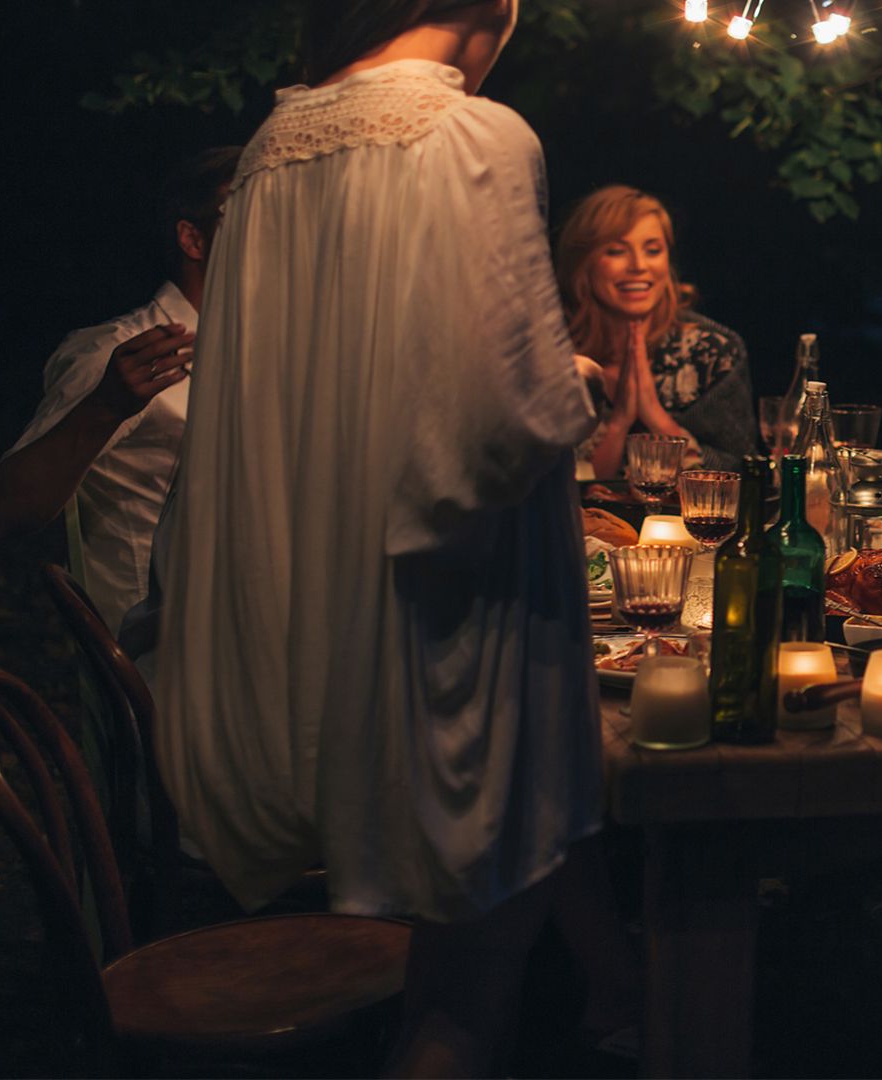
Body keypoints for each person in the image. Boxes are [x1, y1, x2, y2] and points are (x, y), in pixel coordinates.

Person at [149, 2, 630, 1073]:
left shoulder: (277, 147)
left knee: (439, 986)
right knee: (465, 999)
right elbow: (498, 421)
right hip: (448, 633)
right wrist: (581, 386)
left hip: (314, 616)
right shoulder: (473, 135)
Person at [0, 146, 241, 631]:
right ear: (192, 238)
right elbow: (6, 512)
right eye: (247, 207)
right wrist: (105, 406)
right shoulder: (117, 352)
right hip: (155, 671)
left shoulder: (267, 355)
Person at [555, 184, 759, 476]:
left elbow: (741, 472)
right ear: (583, 264)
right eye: (616, 251)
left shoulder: (714, 351)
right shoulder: (556, 356)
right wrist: (618, 424)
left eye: (652, 250)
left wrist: (657, 419)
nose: (638, 266)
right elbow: (566, 484)